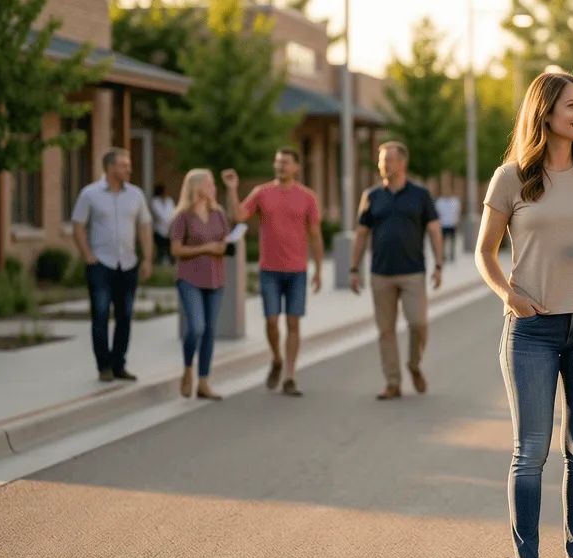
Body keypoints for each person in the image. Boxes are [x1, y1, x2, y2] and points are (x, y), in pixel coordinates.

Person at [476, 72, 573, 558]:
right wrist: (507, 295)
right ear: (544, 113)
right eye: (572, 106)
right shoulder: (511, 177)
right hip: (532, 328)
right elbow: (485, 251)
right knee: (531, 449)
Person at [223, 148, 324, 397]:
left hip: (297, 270)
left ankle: (290, 376)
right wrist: (232, 189)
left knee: (293, 323)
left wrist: (319, 269)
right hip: (269, 269)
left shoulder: (308, 197)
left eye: (286, 163)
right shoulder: (262, 193)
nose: (280, 166)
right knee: (271, 321)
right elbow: (238, 216)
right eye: (277, 162)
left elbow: (315, 235)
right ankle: (277, 358)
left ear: (296, 167)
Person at [349, 142, 443, 400]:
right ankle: (392, 382)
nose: (382, 165)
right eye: (380, 161)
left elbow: (434, 230)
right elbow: (361, 234)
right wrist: (353, 268)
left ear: (402, 163)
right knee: (386, 331)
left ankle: (414, 364)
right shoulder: (371, 196)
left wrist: (438, 265)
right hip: (380, 273)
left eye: (387, 160)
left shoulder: (420, 195)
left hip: (413, 272)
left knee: (418, 324)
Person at [71, 148, 153, 382]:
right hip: (101, 265)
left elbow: (145, 227)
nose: (129, 168)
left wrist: (147, 258)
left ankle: (119, 364)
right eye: (124, 165)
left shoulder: (136, 195)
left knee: (125, 316)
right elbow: (78, 225)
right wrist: (87, 254)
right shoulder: (90, 194)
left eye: (128, 164)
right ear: (110, 167)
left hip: (128, 264)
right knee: (100, 314)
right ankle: (103, 366)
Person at [169, 169, 230, 400]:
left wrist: (224, 246)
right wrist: (206, 248)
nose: (213, 187)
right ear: (195, 187)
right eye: (209, 183)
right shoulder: (182, 216)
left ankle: (203, 382)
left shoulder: (218, 213)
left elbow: (224, 243)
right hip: (190, 279)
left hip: (215, 279)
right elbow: (175, 250)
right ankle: (187, 370)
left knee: (210, 331)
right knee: (196, 327)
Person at [150, 184, 176, 266]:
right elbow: (160, 216)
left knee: (170, 249)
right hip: (159, 231)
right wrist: (168, 221)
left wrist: (171, 225)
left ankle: (171, 263)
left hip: (170, 230)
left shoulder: (170, 200)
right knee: (161, 248)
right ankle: (159, 262)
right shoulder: (154, 201)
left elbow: (173, 213)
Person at [435, 192, 461, 264]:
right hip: (443, 224)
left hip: (452, 224)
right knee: (443, 242)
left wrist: (456, 222)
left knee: (452, 242)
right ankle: (443, 256)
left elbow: (457, 212)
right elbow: (437, 213)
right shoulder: (440, 202)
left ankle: (452, 256)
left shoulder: (455, 201)